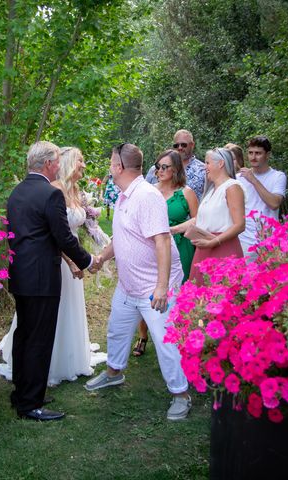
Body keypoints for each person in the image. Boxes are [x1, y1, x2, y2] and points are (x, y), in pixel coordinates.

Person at [84, 143, 191, 421]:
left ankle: (181, 394)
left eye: (110, 163)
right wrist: (101, 259)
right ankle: (113, 373)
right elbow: (121, 238)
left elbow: (163, 240)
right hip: (128, 285)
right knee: (116, 332)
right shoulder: (124, 196)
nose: (109, 168)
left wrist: (161, 286)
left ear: (119, 167)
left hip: (152, 288)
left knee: (166, 342)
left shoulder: (147, 196)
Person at [0, 147, 108, 386]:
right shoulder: (51, 194)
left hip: (20, 273)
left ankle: (21, 388)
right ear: (48, 163)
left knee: (25, 333)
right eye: (56, 162)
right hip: (43, 274)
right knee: (40, 337)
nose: (59, 166)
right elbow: (63, 238)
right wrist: (88, 260)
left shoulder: (18, 192)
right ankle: (31, 401)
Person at [132, 149, 198, 357]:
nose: (158, 170)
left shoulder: (186, 192)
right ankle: (143, 336)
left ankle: (178, 338)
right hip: (152, 248)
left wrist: (175, 229)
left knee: (178, 294)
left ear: (176, 169)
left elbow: (198, 219)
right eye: (157, 166)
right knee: (148, 290)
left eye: (164, 167)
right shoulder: (149, 190)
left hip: (180, 245)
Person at [187, 148, 245, 285]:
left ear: (220, 164)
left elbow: (240, 224)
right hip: (205, 247)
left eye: (207, 163)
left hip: (223, 248)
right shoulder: (211, 190)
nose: (204, 167)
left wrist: (214, 242)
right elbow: (201, 219)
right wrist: (173, 229)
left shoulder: (232, 187)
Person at [237, 136, 286, 259]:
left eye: (258, 153)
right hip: (244, 239)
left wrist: (253, 180)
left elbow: (274, 203)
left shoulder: (278, 176)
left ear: (267, 155)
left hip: (269, 240)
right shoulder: (239, 177)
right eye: (250, 153)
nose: (253, 157)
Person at [145, 129, 206, 201]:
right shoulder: (155, 169)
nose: (180, 148)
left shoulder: (203, 170)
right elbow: (145, 193)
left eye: (184, 145)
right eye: (176, 145)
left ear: (192, 145)